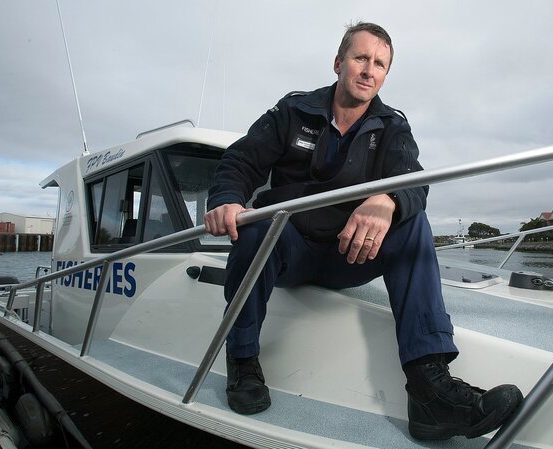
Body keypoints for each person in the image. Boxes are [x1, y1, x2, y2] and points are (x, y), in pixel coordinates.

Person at [204, 22, 523, 440]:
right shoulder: (292, 112)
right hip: (288, 249)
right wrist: (226, 199)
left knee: (412, 223)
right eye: (361, 58)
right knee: (252, 227)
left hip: (348, 253)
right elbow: (240, 162)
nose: (369, 70)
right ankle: (243, 363)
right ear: (339, 63)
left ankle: (430, 391)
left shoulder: (391, 127)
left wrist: (388, 199)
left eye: (380, 64)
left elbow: (414, 180)